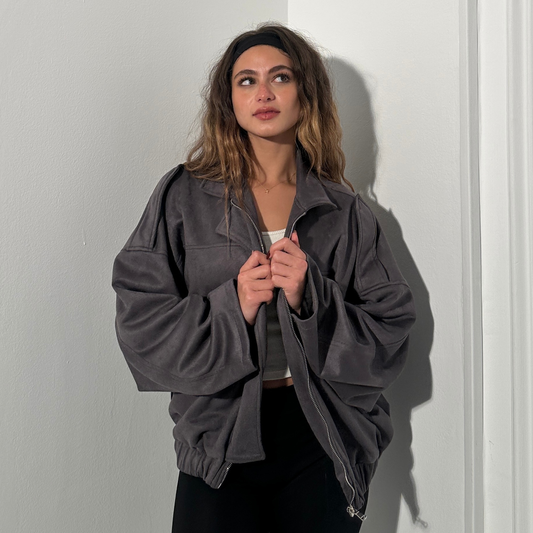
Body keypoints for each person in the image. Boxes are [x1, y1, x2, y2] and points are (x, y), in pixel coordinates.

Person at [112, 22, 416, 533]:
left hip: (322, 436)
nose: (264, 92)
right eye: (246, 80)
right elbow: (139, 320)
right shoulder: (183, 197)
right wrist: (233, 305)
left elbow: (390, 332)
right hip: (219, 438)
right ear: (228, 99)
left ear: (305, 93)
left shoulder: (343, 210)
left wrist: (310, 299)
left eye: (281, 77)